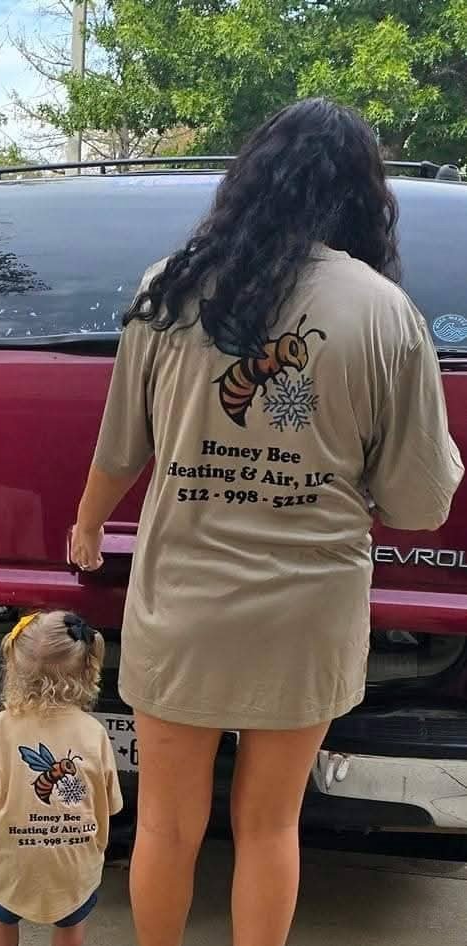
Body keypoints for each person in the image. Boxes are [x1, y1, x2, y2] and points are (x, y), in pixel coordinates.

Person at [70, 99, 463, 946]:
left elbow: (119, 448)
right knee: (269, 824)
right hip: (307, 611)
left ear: (250, 180)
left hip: (183, 598)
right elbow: (422, 506)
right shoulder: (385, 313)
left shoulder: (168, 288)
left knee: (168, 825)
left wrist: (87, 526)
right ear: (364, 195)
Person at [0, 611, 123, 946]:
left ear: (13, 669)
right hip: (73, 868)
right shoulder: (95, 734)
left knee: (1, 919)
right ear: (86, 670)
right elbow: (110, 805)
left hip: (12, 865)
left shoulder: (1, 728)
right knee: (70, 928)